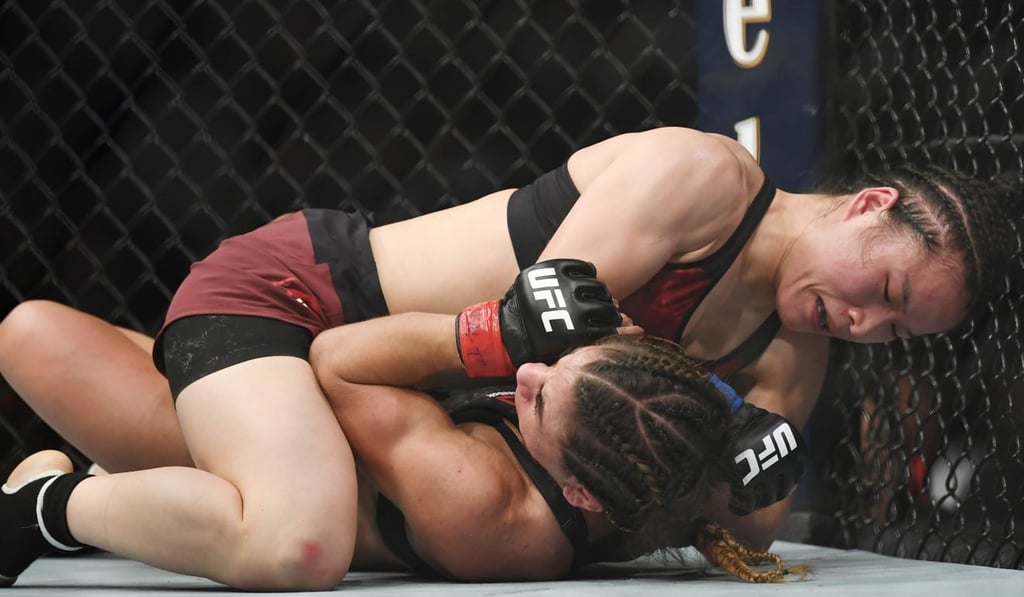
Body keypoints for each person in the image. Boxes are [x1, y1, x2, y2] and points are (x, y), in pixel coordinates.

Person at [0, 126, 1017, 550]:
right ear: (866, 205)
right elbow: (549, 334)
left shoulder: (793, 345)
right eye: (881, 287)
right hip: (305, 305)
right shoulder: (703, 180)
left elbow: (741, 526)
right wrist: (717, 421)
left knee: (37, 339)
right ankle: (38, 510)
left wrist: (752, 475)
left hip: (384, 407)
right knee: (293, 536)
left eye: (892, 328)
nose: (863, 322)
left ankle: (174, 391)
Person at [0, 260, 802, 589]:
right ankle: (110, 485)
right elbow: (737, 498)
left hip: (291, 401)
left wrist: (495, 332)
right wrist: (728, 410)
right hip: (285, 340)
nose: (527, 375)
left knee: (31, 334)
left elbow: (338, 360)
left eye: (540, 398)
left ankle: (44, 507)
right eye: (557, 365)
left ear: (579, 491)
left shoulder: (482, 502)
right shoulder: (658, 468)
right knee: (31, 334)